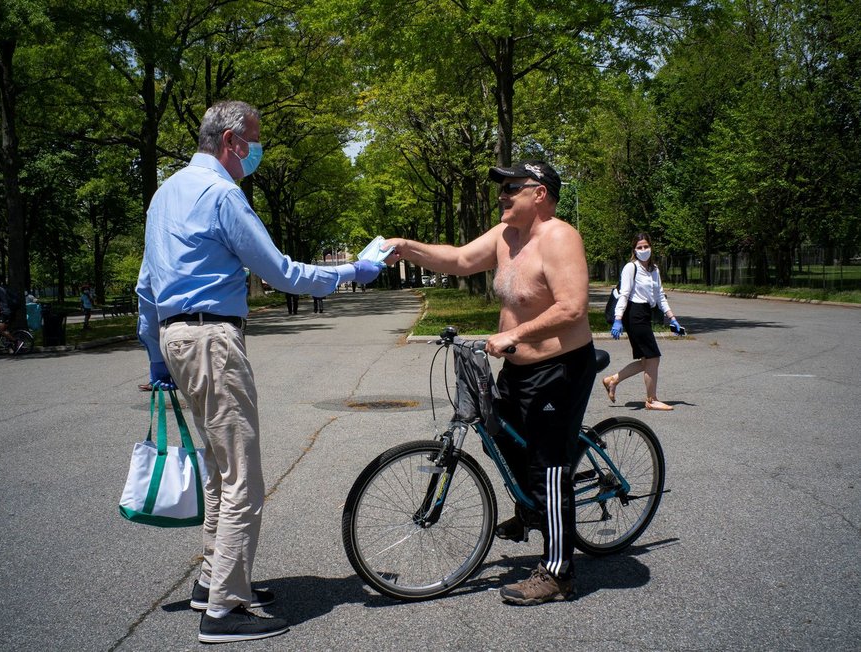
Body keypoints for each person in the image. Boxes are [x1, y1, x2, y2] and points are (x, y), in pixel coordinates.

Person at [135, 100, 381, 644]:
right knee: (243, 478)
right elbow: (282, 272)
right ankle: (222, 612)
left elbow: (146, 287)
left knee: (222, 472)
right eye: (256, 140)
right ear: (231, 141)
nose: (258, 151)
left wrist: (156, 355)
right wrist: (353, 272)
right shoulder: (223, 195)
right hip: (213, 340)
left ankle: (217, 581)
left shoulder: (164, 194)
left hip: (177, 339)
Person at [382, 159, 595, 606]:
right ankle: (534, 511)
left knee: (548, 466)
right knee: (505, 441)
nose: (502, 194)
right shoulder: (506, 237)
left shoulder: (559, 237)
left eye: (512, 187)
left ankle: (559, 573)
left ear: (539, 193)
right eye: (502, 187)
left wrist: (515, 334)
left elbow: (573, 308)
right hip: (518, 368)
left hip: (559, 369)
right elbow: (459, 259)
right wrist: (406, 246)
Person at [603, 233, 684, 411]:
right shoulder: (630, 268)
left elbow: (660, 296)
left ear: (651, 247)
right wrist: (618, 320)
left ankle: (612, 380)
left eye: (645, 246)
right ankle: (651, 399)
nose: (643, 250)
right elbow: (624, 294)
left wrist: (673, 319)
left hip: (645, 313)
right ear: (634, 250)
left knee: (646, 361)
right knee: (653, 357)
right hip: (634, 314)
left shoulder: (654, 270)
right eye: (639, 247)